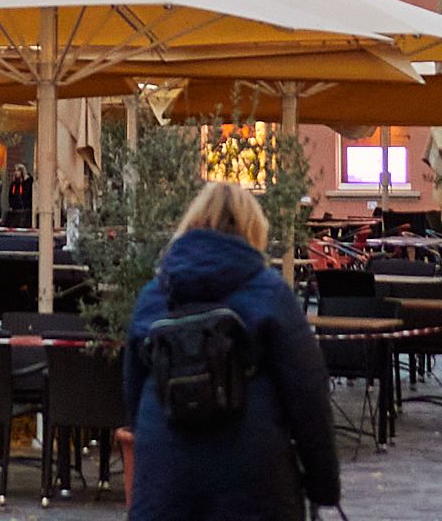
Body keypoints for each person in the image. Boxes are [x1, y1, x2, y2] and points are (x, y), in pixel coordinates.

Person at [122, 178, 343, 521]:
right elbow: (308, 394)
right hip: (256, 482)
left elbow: (132, 394)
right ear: (254, 230)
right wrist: (323, 485)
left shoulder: (154, 295)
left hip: (165, 479)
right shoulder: (270, 294)